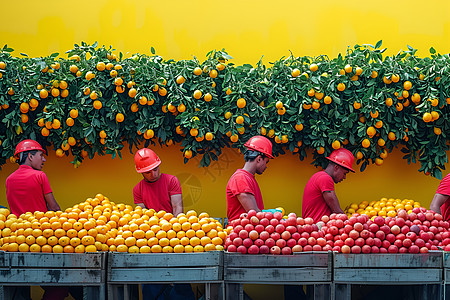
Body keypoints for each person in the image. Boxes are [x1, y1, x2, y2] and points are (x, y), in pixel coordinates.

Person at [5, 139, 70, 300]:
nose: (44, 159)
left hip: (17, 240)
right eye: (41, 155)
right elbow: (54, 207)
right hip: (41, 238)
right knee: (60, 287)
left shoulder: (9, 180)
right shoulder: (40, 176)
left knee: (19, 285)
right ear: (30, 156)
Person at [133, 148, 194, 300]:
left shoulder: (171, 180)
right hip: (151, 238)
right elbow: (142, 217)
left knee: (180, 279)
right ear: (141, 172)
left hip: (174, 234)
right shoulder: (137, 189)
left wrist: (173, 233)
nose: (153, 174)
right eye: (148, 172)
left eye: (155, 169)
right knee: (151, 280)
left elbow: (177, 209)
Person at [226, 135, 274, 221]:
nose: (266, 166)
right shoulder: (240, 178)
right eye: (266, 162)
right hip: (240, 232)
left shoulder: (247, 178)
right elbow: (254, 213)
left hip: (249, 232)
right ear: (259, 159)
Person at [302, 148, 355, 223]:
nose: (344, 177)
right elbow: (336, 210)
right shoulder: (325, 178)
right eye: (344, 173)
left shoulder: (319, 176)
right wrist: (351, 224)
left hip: (313, 227)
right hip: (317, 228)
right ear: (336, 167)